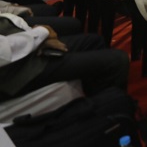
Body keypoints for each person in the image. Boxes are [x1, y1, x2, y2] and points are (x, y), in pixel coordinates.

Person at [0, 12, 129, 101]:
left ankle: (93, 104)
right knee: (117, 60)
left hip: (14, 42)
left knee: (94, 41)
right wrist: (40, 35)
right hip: (13, 70)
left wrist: (34, 35)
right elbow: (4, 51)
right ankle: (107, 117)